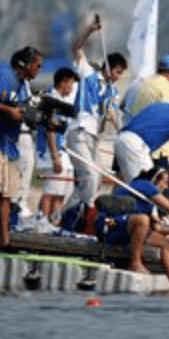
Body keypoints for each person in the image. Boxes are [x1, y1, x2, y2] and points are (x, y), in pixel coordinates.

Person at [94, 167, 169, 296]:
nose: (166, 187)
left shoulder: (148, 201)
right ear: (156, 179)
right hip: (111, 227)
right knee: (142, 219)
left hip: (127, 230)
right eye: (164, 182)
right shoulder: (144, 185)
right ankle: (135, 262)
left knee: (165, 243)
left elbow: (157, 227)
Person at [67, 19, 128, 209]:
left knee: (91, 180)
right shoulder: (88, 74)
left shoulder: (112, 91)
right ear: (108, 68)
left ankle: (62, 217)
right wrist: (90, 30)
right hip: (79, 131)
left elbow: (112, 116)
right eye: (117, 72)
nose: (118, 77)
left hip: (94, 136)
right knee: (91, 176)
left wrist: (121, 130)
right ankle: (88, 211)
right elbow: (76, 48)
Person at [0, 46, 43, 249]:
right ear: (24, 64)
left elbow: (26, 113)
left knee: (7, 194)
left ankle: (4, 240)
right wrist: (8, 111)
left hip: (10, 145)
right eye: (37, 65)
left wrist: (40, 117)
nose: (38, 70)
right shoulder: (4, 75)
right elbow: (10, 109)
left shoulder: (23, 85)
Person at [35, 67, 79, 222]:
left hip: (63, 151)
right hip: (51, 152)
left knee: (61, 192)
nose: (72, 88)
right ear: (63, 82)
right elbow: (50, 129)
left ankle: (54, 222)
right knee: (51, 191)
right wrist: (55, 156)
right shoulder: (51, 99)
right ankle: (42, 221)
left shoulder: (63, 103)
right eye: (71, 84)